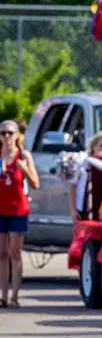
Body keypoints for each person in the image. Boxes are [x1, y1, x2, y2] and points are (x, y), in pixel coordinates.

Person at [0, 119, 39, 308]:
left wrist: (24, 169)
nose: (6, 136)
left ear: (17, 135)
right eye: (3, 133)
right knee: (2, 254)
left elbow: (35, 183)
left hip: (18, 209)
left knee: (15, 253)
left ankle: (15, 295)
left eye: (10, 133)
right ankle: (3, 296)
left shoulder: (23, 156)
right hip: (0, 209)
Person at [67, 131, 102, 221]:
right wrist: (73, 210)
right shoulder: (82, 163)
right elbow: (72, 188)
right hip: (85, 209)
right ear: (93, 147)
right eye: (100, 145)